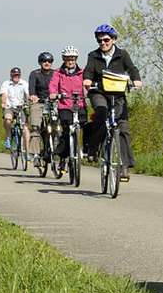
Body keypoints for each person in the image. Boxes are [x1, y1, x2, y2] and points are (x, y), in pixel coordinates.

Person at [84, 23, 142, 180]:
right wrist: (88, 80)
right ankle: (93, 149)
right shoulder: (93, 55)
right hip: (99, 92)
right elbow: (88, 70)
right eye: (99, 40)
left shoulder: (122, 54)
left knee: (123, 128)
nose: (103, 43)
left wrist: (136, 80)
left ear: (114, 39)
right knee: (101, 113)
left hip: (117, 94)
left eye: (106, 40)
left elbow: (132, 68)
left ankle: (124, 167)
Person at [47, 45, 88, 175]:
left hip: (80, 104)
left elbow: (87, 85)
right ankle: (64, 157)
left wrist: (90, 91)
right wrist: (54, 94)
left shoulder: (82, 73)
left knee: (84, 125)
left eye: (73, 59)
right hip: (65, 105)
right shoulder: (58, 73)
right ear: (64, 59)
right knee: (66, 130)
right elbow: (53, 85)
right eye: (68, 59)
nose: (71, 61)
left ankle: (84, 150)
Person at [26, 51, 54, 162]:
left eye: (49, 61)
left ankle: (56, 148)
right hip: (39, 102)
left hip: (52, 103)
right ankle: (35, 153)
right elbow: (32, 88)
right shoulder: (35, 74)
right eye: (44, 61)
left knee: (58, 126)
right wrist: (33, 96)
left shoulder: (55, 73)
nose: (47, 63)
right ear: (40, 62)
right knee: (35, 127)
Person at [0, 67, 28, 152]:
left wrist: (29, 100)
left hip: (21, 107)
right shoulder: (6, 83)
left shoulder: (24, 83)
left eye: (18, 75)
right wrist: (4, 103)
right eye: (14, 75)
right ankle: (8, 137)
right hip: (10, 107)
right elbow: (4, 95)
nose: (16, 77)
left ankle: (26, 151)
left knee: (25, 128)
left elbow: (27, 94)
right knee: (8, 119)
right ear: (11, 75)